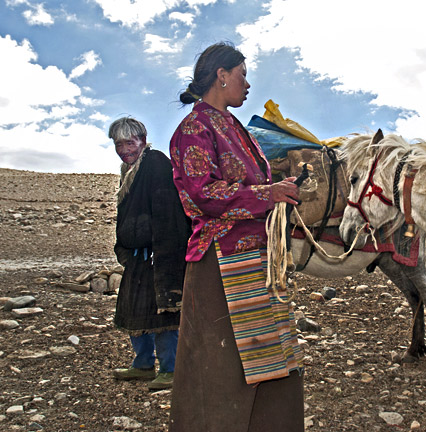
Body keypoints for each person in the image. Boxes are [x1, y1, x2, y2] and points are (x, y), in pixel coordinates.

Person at [168, 42, 304, 431]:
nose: (247, 84)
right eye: (242, 74)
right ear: (221, 75)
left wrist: (278, 188)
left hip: (254, 258)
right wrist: (266, 194)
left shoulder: (233, 127)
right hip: (221, 264)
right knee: (223, 366)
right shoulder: (194, 128)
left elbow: (244, 187)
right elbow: (202, 193)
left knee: (270, 355)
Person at [109, 117, 190, 391]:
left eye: (129, 142)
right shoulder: (128, 170)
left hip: (158, 254)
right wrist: (124, 249)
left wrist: (165, 253)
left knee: (163, 314)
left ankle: (171, 369)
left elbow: (168, 211)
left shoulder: (155, 162)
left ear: (142, 141)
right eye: (119, 144)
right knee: (135, 311)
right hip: (138, 257)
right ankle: (143, 364)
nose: (124, 149)